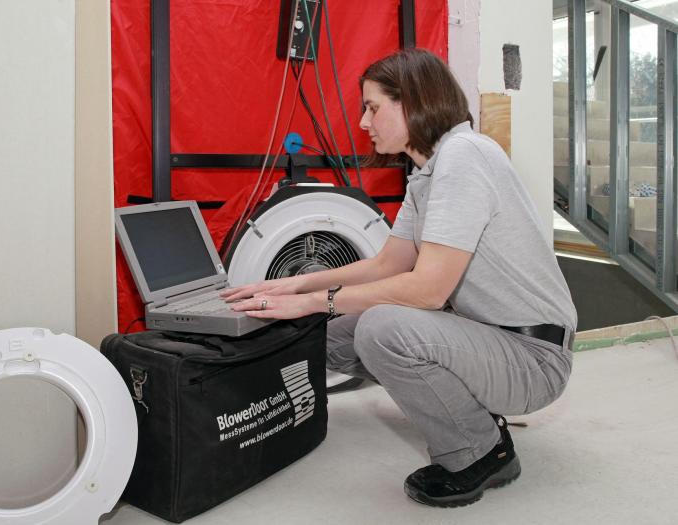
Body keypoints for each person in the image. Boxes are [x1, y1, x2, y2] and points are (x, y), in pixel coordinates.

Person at [222, 48, 576, 508]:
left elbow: (428, 291)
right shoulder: (428, 172)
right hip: (490, 340)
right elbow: (387, 264)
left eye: (373, 107)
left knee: (382, 328)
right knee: (331, 334)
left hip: (534, 358)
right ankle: (472, 414)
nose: (364, 122)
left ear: (412, 101)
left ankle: (480, 453)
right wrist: (292, 285)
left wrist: (316, 300)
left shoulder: (465, 156)